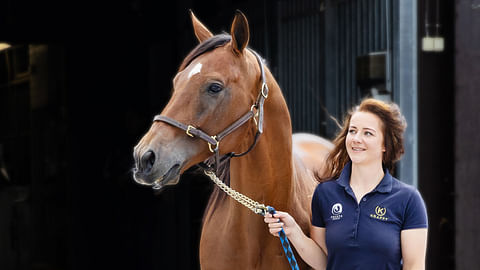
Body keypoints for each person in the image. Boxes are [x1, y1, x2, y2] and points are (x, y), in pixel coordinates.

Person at [264, 98, 428, 270]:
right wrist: (293, 231)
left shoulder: (408, 200)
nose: (356, 139)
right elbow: (324, 262)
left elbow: (413, 266)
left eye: (367, 133)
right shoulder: (325, 193)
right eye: (353, 131)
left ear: (385, 145)